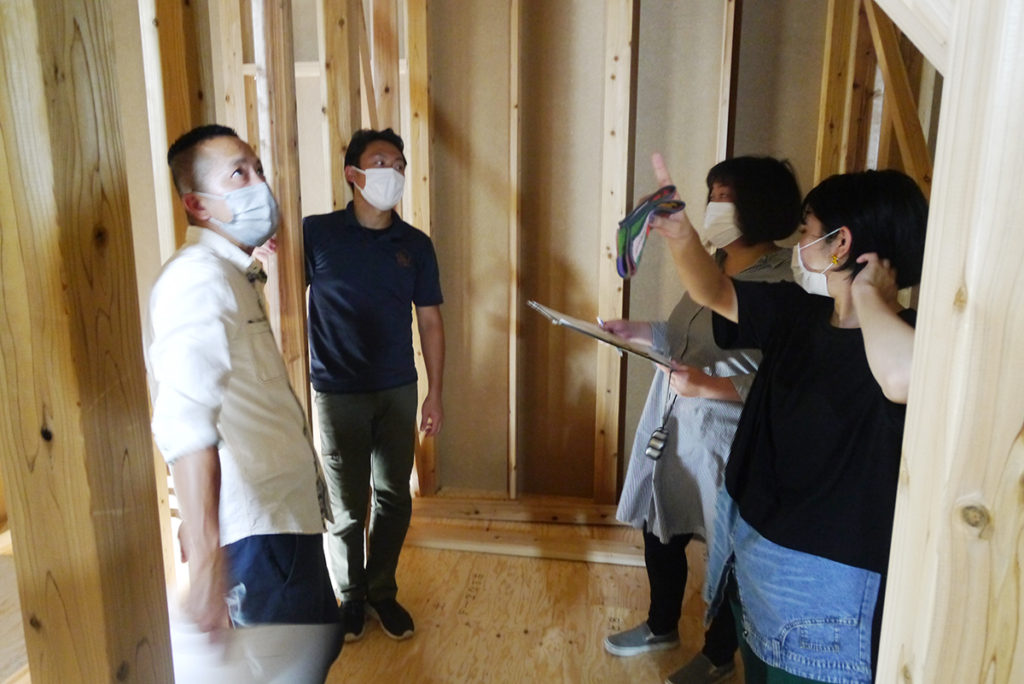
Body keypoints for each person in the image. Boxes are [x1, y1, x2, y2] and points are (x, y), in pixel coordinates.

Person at [649, 154, 927, 683]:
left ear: (842, 244)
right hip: (754, 553)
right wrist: (681, 236)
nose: (799, 243)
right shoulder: (797, 313)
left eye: (808, 230)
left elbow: (902, 379)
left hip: (825, 585)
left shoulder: (914, 342)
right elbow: (714, 291)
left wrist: (866, 293)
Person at [146, 124, 341, 681]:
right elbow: (185, 421)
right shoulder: (197, 278)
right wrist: (207, 557)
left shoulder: (233, 274)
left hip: (282, 520)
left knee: (315, 648)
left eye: (257, 168)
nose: (260, 183)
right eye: (238, 174)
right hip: (259, 534)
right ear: (197, 204)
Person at [602, 157, 802, 684]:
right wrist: (639, 331)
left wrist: (708, 386)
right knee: (660, 524)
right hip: (675, 422)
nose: (715, 205)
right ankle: (661, 626)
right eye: (712, 193)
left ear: (760, 206)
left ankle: (718, 655)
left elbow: (783, 379)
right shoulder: (711, 264)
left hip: (727, 434)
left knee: (727, 550)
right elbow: (686, 336)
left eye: (726, 195)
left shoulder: (786, 281)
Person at [304, 128, 445, 643]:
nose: (395, 171)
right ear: (354, 174)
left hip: (396, 388)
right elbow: (276, 283)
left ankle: (382, 590)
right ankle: (350, 595)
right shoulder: (316, 234)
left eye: (400, 164)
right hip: (336, 390)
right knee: (345, 507)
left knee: (392, 496)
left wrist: (435, 392)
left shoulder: (415, 246)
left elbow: (430, 321)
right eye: (382, 161)